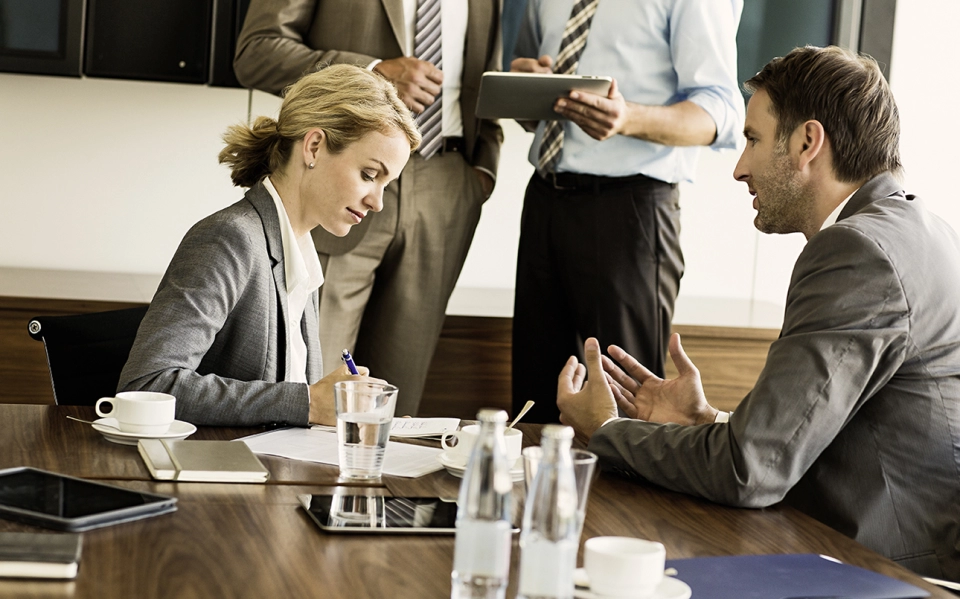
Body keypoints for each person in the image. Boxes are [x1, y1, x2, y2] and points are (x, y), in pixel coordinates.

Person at [556, 46, 960, 581]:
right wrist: (709, 423)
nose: (739, 168)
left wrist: (606, 430)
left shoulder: (858, 254)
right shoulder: (913, 227)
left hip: (889, 571)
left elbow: (752, 469)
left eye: (752, 139)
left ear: (807, 142)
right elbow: (794, 442)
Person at [232, 0, 503, 417]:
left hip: (447, 185)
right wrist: (372, 71)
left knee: (397, 402)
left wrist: (481, 170)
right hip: (342, 174)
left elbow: (486, 78)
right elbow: (257, 51)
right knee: (310, 385)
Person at [118, 65, 421, 427]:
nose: (377, 202)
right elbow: (149, 384)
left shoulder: (300, 252)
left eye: (385, 184)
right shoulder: (230, 239)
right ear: (314, 146)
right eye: (369, 175)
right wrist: (309, 403)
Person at [510, 0, 745, 423]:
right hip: (545, 196)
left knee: (629, 409)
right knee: (536, 399)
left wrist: (627, 118)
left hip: (629, 210)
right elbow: (535, 85)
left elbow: (722, 112)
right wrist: (528, 84)